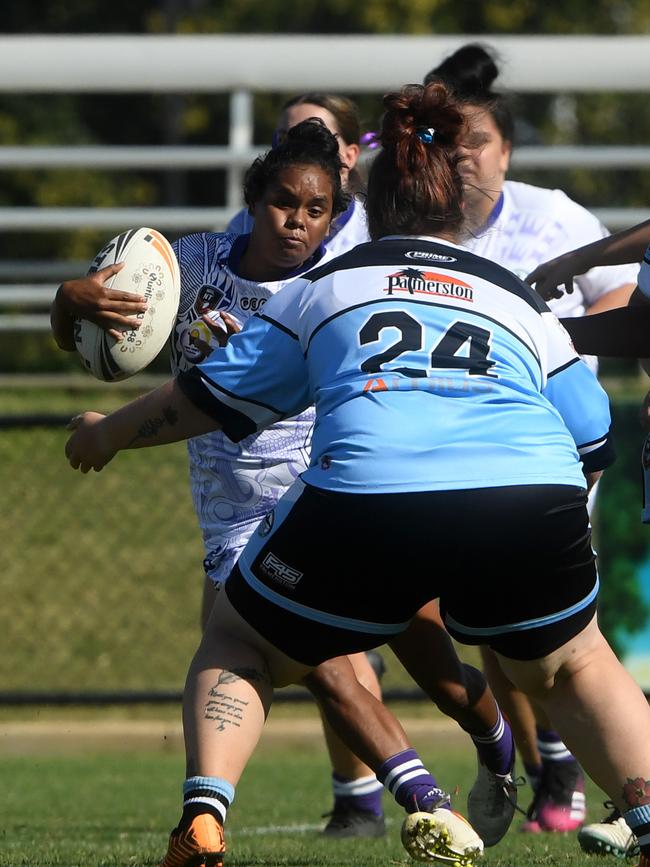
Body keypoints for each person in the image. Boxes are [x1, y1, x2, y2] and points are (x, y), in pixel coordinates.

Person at [64, 80, 650, 867]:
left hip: (369, 496)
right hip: (528, 497)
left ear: (365, 207)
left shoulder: (326, 288)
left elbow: (209, 394)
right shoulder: (517, 301)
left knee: (240, 641)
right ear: (459, 207)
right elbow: (594, 429)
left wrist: (107, 434)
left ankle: (203, 818)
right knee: (575, 660)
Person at [423, 41, 640, 842]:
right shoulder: (419, 226)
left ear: (506, 149)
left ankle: (575, 767)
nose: (464, 159)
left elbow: (623, 299)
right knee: (485, 625)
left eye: (477, 142)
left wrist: (555, 330)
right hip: (451, 456)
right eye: (449, 143)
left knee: (548, 630)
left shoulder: (552, 217)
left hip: (552, 450)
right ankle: (550, 754)